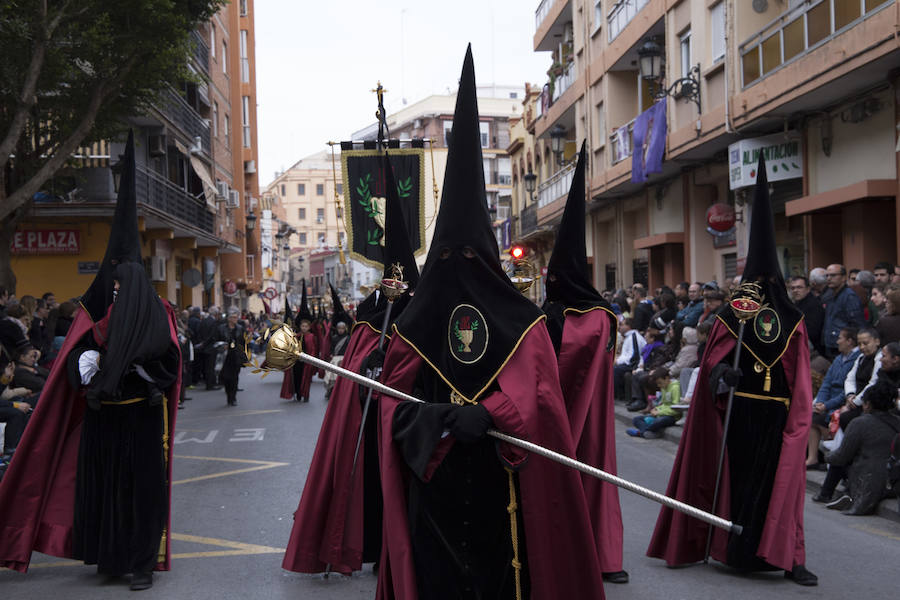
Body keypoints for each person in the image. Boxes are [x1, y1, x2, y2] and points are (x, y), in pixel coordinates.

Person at [376, 47, 606, 600]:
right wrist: (442, 420)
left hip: (505, 492)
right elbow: (391, 411)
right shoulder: (412, 324)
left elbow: (541, 403)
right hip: (432, 492)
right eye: (448, 258)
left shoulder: (521, 323)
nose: (460, 273)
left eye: (470, 258)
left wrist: (491, 412)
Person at [0, 132, 181, 588]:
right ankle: (112, 557)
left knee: (140, 495)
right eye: (111, 286)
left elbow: (170, 366)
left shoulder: (157, 317)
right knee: (106, 494)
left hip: (140, 420)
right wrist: (87, 362)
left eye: (120, 287)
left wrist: (138, 370)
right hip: (104, 421)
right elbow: (81, 353)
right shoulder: (96, 317)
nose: (114, 292)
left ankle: (141, 563)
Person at [647, 154, 817, 586]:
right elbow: (713, 363)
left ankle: (786, 555)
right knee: (736, 487)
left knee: (777, 490)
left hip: (776, 417)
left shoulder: (793, 320)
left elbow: (798, 382)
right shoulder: (730, 317)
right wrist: (722, 377)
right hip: (738, 414)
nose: (761, 289)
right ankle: (732, 550)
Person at [283, 151, 420, 576]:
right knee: (370, 485)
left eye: (400, 281)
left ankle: (400, 552)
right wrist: (367, 373)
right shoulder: (368, 319)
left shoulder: (424, 316)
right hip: (369, 417)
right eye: (388, 280)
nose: (393, 286)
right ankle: (371, 547)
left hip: (410, 423)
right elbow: (356, 367)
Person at [541, 143, 627, 584]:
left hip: (586, 414)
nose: (550, 288)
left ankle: (599, 553)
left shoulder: (596, 318)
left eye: (556, 280)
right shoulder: (559, 315)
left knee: (589, 474)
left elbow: (576, 353)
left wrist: (552, 324)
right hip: (555, 408)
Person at [824, 379, 900, 514]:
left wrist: (825, 455)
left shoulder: (860, 423)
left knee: (841, 458)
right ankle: (845, 494)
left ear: (868, 404)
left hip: (868, 479)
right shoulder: (897, 422)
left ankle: (826, 494)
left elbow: (841, 456)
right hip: (893, 482)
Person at [807, 327, 859, 470]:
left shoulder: (856, 359)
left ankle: (832, 457)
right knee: (813, 415)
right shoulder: (838, 359)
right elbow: (827, 383)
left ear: (849, 341)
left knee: (826, 419)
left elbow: (845, 391)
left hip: (842, 401)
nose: (837, 341)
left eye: (840, 338)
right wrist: (820, 402)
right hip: (829, 400)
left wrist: (827, 405)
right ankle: (813, 458)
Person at [822, 264, 866, 359]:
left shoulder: (849, 297)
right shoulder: (830, 296)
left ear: (843, 278)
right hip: (831, 345)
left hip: (844, 347)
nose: (829, 278)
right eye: (827, 275)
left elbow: (858, 324)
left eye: (833, 275)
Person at [626, 367, 683, 439]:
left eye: (660, 383)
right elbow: (664, 404)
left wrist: (659, 412)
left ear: (667, 378)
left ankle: (641, 432)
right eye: (657, 384)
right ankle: (650, 432)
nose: (659, 386)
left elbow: (676, 409)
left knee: (660, 421)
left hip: (672, 416)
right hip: (661, 413)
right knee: (636, 419)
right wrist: (656, 409)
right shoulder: (663, 387)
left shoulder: (675, 388)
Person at [789, 276, 825, 356]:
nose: (795, 290)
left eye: (799, 287)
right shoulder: (796, 304)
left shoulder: (814, 305)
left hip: (812, 350)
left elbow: (812, 332)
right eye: (793, 288)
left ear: (808, 289)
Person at [218, 307, 246, 406]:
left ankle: (233, 398)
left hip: (236, 356)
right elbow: (216, 341)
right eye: (233, 317)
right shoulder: (221, 328)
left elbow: (243, 343)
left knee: (234, 377)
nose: (235, 319)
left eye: (236, 317)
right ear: (229, 318)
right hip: (225, 356)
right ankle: (228, 395)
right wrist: (222, 346)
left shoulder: (240, 328)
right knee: (226, 378)